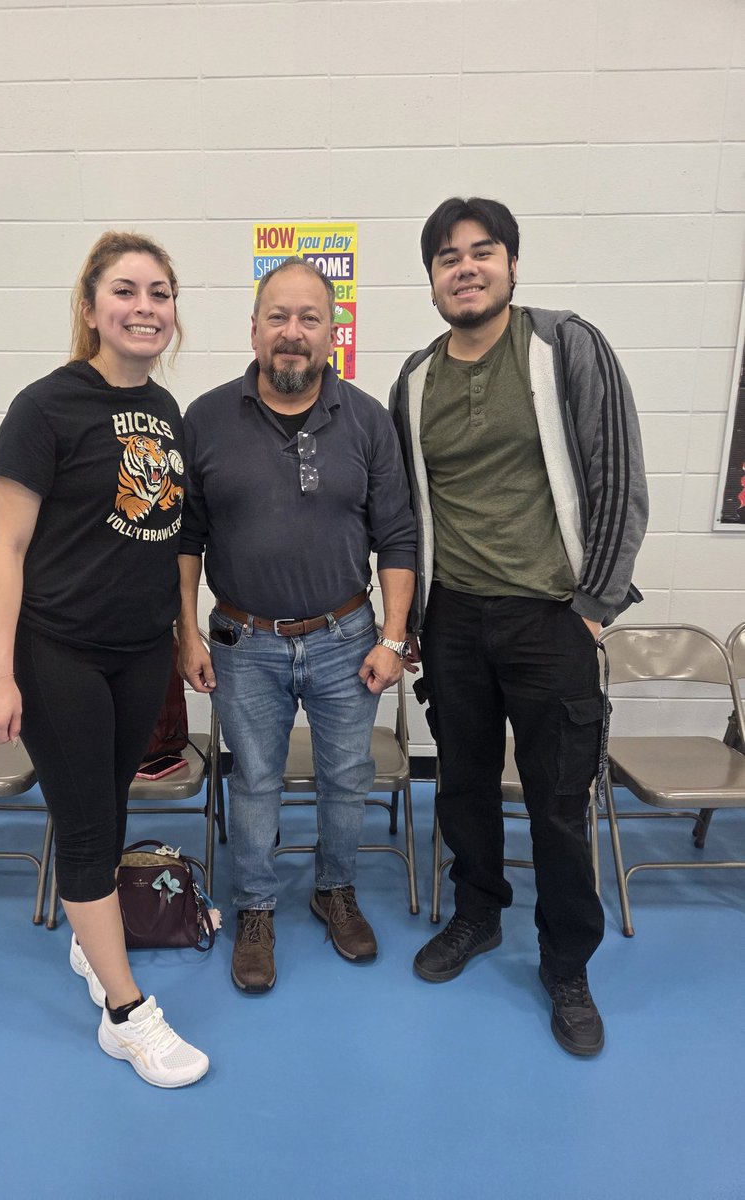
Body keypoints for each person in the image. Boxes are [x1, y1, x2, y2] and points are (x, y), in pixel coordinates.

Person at [390, 197, 648, 1056]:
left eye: (482, 253)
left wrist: (595, 609)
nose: (465, 268)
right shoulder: (414, 380)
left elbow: (617, 480)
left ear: (510, 264)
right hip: (455, 621)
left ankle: (567, 965)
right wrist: (414, 620)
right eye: (447, 258)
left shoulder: (565, 345)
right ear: (430, 276)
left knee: (558, 805)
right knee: (461, 785)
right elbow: (406, 512)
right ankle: (476, 915)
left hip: (552, 619)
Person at [0, 231, 208, 1088]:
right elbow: (6, 548)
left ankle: (90, 939)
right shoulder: (45, 407)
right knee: (82, 829)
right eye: (125, 290)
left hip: (138, 652)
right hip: (59, 651)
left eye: (160, 292)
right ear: (90, 307)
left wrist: (183, 634)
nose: (145, 306)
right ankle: (126, 1014)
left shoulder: (168, 412)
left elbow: (172, 534)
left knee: (107, 812)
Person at [177, 257, 416, 993]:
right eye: (277, 317)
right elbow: (185, 536)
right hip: (243, 643)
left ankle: (334, 889)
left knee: (348, 776)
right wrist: (185, 632)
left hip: (348, 638)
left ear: (332, 333)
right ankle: (254, 907)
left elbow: (399, 536)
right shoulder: (206, 419)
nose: (292, 333)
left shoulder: (368, 420)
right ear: (253, 329)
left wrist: (393, 636)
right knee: (253, 782)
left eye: (309, 318)